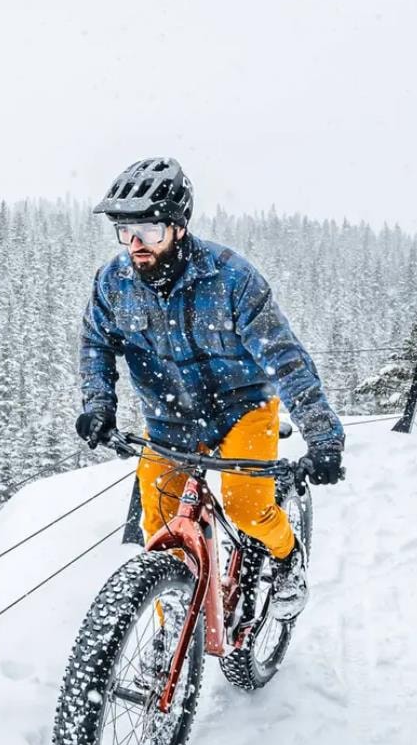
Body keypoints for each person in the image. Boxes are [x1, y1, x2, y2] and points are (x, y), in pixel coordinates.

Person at [75, 157, 344, 619]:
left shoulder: (231, 278)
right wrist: (99, 405)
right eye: (126, 232)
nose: (136, 245)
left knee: (246, 509)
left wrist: (323, 436)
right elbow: (96, 343)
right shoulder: (113, 284)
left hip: (243, 409)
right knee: (158, 531)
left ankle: (285, 557)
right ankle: (168, 638)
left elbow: (286, 359)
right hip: (167, 419)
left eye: (150, 232)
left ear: (178, 228)